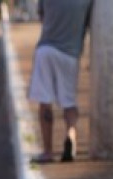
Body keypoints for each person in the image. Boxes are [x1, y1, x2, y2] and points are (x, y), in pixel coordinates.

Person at [27, 0, 92, 163]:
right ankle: (70, 134)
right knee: (69, 101)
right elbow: (90, 24)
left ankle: (48, 151)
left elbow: (41, 16)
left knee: (45, 101)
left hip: (46, 49)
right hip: (70, 53)